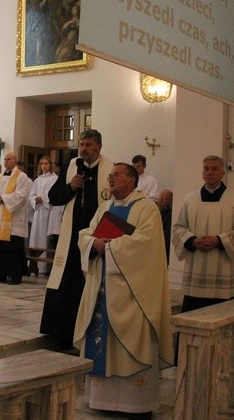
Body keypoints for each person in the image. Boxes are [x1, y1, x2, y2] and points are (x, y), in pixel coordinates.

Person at [75, 163, 173, 416]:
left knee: (131, 344)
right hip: (102, 288)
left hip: (132, 292)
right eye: (110, 176)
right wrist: (93, 243)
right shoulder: (105, 207)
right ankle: (102, 400)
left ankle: (135, 404)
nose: (111, 179)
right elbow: (86, 233)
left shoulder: (146, 209)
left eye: (116, 175)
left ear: (132, 180)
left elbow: (146, 244)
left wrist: (109, 247)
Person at [41, 129, 113, 347]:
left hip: (97, 236)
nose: (84, 149)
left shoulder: (111, 168)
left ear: (99, 147)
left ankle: (93, 332)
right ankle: (61, 333)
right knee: (67, 281)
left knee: (91, 281)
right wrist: (70, 187)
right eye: (81, 144)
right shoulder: (72, 166)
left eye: (88, 145)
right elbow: (54, 197)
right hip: (72, 235)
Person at [172, 155, 234, 313]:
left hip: (221, 269)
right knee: (191, 316)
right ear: (202, 172)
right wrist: (192, 241)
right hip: (195, 270)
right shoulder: (190, 199)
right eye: (206, 169)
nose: (209, 172)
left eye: (214, 169)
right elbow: (178, 228)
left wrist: (219, 240)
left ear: (223, 173)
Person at [0, 153, 32, 285]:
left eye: (9, 159)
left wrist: (3, 199)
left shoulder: (22, 177)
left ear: (16, 161)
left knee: (13, 247)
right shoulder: (0, 176)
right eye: (5, 159)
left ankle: (15, 274)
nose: (6, 161)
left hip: (13, 218)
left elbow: (22, 196)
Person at [28, 156, 58, 275]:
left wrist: (44, 199)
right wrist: (35, 199)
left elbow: (54, 195)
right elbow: (31, 195)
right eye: (42, 164)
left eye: (46, 163)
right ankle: (33, 265)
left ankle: (43, 267)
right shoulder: (37, 180)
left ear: (50, 165)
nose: (44, 166)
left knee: (44, 238)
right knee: (35, 237)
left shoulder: (55, 179)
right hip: (38, 212)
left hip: (48, 212)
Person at [157, 189, 173, 264]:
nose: (160, 200)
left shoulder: (170, 215)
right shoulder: (154, 212)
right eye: (160, 198)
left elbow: (166, 236)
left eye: (164, 199)